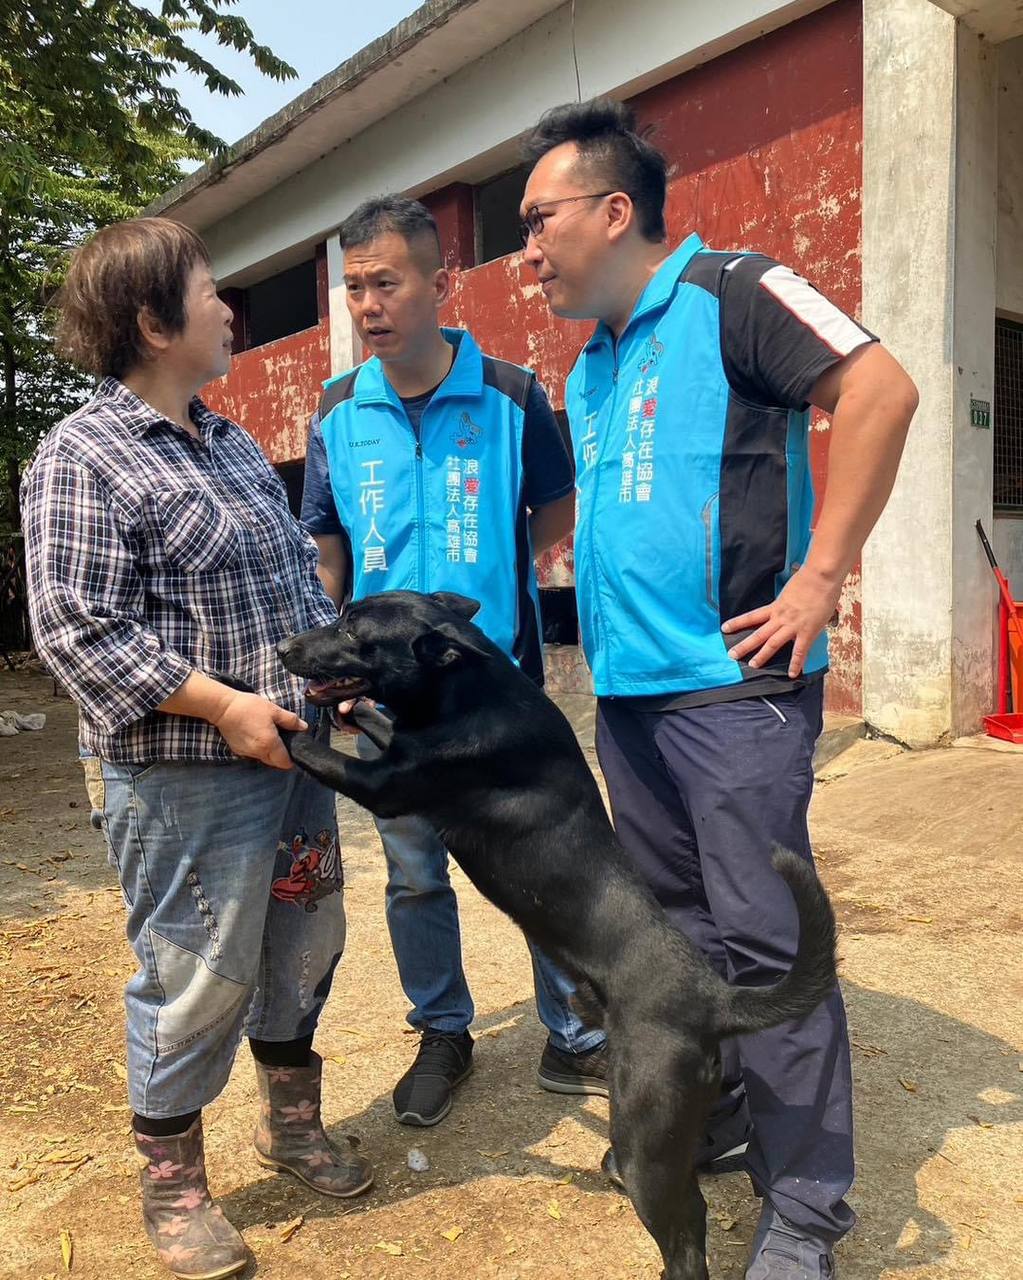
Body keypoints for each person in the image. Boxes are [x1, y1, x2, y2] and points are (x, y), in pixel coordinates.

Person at [519, 99, 917, 1279]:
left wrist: (822, 574)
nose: (525, 251)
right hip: (633, 707)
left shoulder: (735, 290)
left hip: (736, 695)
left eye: (538, 220)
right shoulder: (591, 364)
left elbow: (882, 389)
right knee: (679, 939)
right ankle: (722, 1116)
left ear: (615, 210)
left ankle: (805, 1213)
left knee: (765, 942)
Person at [22, 218, 373, 1280]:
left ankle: (291, 1123)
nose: (229, 309)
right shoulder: (81, 456)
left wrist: (335, 672)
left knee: (304, 943)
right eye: (212, 290)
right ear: (151, 320)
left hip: (294, 758)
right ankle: (173, 1186)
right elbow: (75, 627)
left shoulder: (230, 442)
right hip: (185, 778)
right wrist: (222, 707)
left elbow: (294, 583)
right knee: (195, 974)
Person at [300, 195, 607, 1128]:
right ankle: (442, 1031)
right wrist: (337, 663)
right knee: (415, 874)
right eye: (354, 287)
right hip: (385, 702)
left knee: (541, 858)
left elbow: (554, 509)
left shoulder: (511, 396)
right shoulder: (337, 411)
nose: (369, 305)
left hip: (496, 692)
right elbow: (328, 547)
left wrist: (497, 580)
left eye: (386, 283)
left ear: (440, 283)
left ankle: (573, 1034)